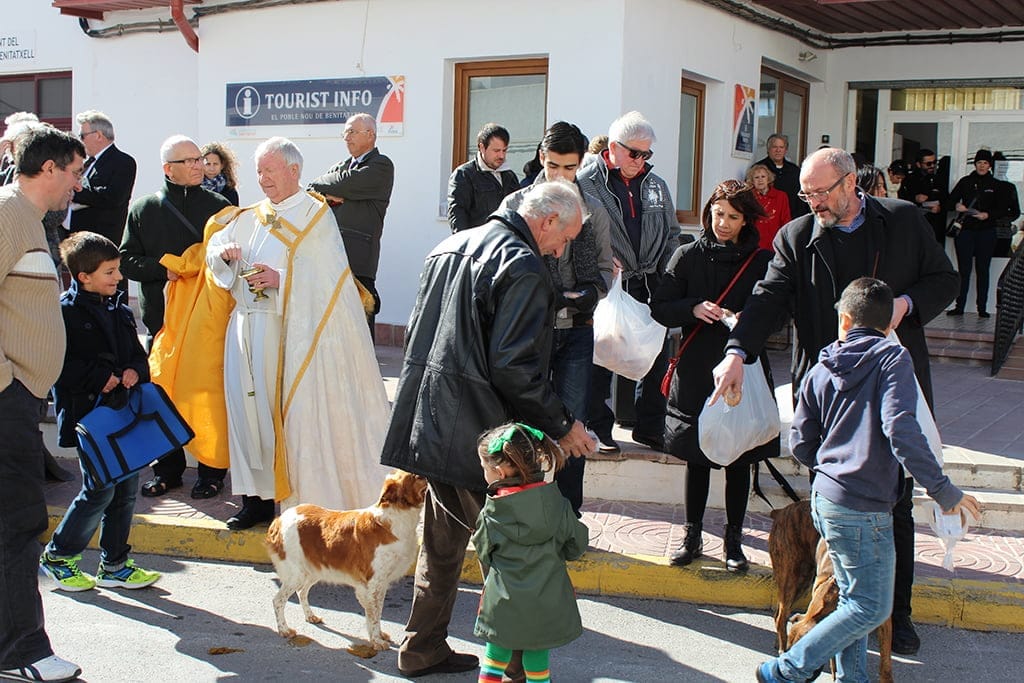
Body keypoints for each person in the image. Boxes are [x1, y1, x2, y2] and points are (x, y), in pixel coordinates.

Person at [711, 147, 959, 656]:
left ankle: (897, 613)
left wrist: (903, 307)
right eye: (807, 194)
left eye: (822, 192)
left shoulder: (904, 221)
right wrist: (737, 353)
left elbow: (945, 281)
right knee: (832, 506)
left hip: (892, 384)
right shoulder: (797, 237)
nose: (814, 203)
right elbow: (767, 300)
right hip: (827, 395)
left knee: (894, 506)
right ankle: (838, 603)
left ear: (851, 184)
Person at [380, 179, 594, 678]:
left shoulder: (449, 245)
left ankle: (421, 647)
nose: (563, 249)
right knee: (515, 552)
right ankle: (517, 666)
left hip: (432, 421)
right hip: (483, 436)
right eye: (564, 238)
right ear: (545, 222)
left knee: (442, 543)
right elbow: (514, 367)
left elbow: (421, 334)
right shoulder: (521, 264)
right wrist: (562, 425)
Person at [756, 278, 981, 683]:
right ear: (887, 325)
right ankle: (786, 668)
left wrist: (833, 465)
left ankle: (852, 678)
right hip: (863, 506)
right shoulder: (893, 359)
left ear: (844, 319)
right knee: (871, 607)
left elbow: (801, 443)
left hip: (826, 498)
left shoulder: (822, 365)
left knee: (850, 602)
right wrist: (943, 490)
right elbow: (901, 428)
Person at [207, 136, 389, 529]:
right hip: (246, 329)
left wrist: (282, 278)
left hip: (287, 333)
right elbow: (216, 251)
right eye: (258, 171)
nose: (263, 179)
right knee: (248, 418)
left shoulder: (315, 215)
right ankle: (254, 504)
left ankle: (293, 504)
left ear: (294, 170)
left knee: (280, 420)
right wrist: (222, 257)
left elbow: (332, 282)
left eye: (269, 170)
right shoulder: (248, 215)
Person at [651, 180, 777, 572]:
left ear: (746, 220)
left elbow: (775, 310)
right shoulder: (686, 256)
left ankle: (733, 541)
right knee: (697, 457)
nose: (723, 223)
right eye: (718, 214)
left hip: (743, 365)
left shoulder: (761, 261)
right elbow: (661, 307)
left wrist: (746, 321)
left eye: (733, 217)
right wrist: (692, 308)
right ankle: (692, 536)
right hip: (695, 366)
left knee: (739, 458)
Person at [0, 125, 84, 683]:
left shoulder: (28, 219)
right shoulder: (9, 214)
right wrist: (7, 383)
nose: (79, 183)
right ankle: (21, 653)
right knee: (18, 523)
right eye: (75, 172)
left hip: (18, 398)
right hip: (6, 399)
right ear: (49, 168)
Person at [499, 121, 613, 516]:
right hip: (528, 332)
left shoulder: (595, 212)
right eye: (552, 167)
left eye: (569, 168)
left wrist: (588, 294)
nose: (561, 176)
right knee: (521, 423)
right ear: (540, 161)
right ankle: (519, 513)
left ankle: (567, 516)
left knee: (572, 428)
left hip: (577, 333)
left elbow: (604, 271)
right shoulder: (516, 205)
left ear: (581, 164)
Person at [39, 232, 161, 595]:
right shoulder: (63, 312)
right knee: (99, 490)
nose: (118, 278)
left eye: (118, 270)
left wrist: (134, 371)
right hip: (88, 419)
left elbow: (139, 358)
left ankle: (115, 564)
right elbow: (57, 365)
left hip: (123, 417)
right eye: (110, 272)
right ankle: (59, 556)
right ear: (83, 276)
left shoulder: (121, 310)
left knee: (125, 491)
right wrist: (99, 378)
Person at [119, 135, 231, 499]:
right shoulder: (144, 208)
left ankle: (212, 472)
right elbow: (125, 260)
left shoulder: (220, 206)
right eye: (190, 161)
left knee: (209, 399)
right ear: (169, 169)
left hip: (208, 323)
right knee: (161, 399)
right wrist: (163, 270)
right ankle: (167, 470)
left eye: (200, 159)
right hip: (162, 323)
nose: (199, 165)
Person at [577, 111, 677, 454]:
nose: (640, 161)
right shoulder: (587, 182)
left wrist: (667, 269)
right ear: (613, 148)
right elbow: (575, 231)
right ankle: (597, 426)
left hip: (650, 281)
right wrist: (600, 260)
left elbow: (672, 234)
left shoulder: (656, 185)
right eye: (634, 153)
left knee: (655, 354)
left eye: (646, 154)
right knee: (603, 353)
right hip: (609, 282)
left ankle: (650, 426)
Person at [472, 423, 589, 683]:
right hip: (546, 601)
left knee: (494, 659)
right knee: (537, 663)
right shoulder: (558, 504)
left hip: (503, 603)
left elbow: (484, 552)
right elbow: (576, 546)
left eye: (485, 468)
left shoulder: (492, 513)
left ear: (500, 471)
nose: (484, 474)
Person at [308, 113, 394, 336]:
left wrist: (337, 189)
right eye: (345, 132)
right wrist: (334, 191)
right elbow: (311, 188)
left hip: (358, 256)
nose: (347, 137)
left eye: (352, 132)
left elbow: (346, 183)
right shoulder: (342, 166)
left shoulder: (381, 165)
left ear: (371, 135)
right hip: (331, 253)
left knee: (359, 326)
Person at [946, 148, 1005, 318]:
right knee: (963, 270)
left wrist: (987, 215)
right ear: (975, 164)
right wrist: (958, 206)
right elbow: (950, 201)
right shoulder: (965, 181)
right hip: (966, 231)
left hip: (986, 231)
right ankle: (960, 306)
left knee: (983, 269)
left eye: (985, 163)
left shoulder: (995, 185)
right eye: (979, 162)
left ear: (990, 165)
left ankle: (982, 308)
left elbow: (1002, 209)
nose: (982, 166)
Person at [69, 111, 137, 248]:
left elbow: (113, 197)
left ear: (98, 135)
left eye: (82, 136)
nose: (80, 141)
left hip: (101, 240)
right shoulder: (87, 163)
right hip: (77, 238)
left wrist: (77, 193)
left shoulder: (122, 161)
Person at [447, 122, 519, 233]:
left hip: (506, 243)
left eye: (504, 150)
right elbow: (457, 216)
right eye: (496, 151)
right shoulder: (464, 175)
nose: (501, 156)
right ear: (482, 147)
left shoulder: (509, 176)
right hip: (479, 245)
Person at [752, 133, 808, 220]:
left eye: (781, 147)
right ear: (768, 149)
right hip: (767, 219)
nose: (778, 150)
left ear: (785, 150)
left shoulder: (795, 170)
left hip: (793, 218)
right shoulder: (758, 169)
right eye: (775, 147)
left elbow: (803, 194)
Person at [898, 148, 947, 244]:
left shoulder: (939, 180)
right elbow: (900, 200)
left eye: (934, 162)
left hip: (934, 226)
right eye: (928, 164)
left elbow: (947, 200)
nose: (932, 166)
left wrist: (940, 208)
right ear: (918, 164)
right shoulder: (909, 180)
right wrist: (914, 198)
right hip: (914, 224)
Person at [746, 163, 791, 251]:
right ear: (752, 181)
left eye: (763, 176)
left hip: (775, 241)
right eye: (756, 177)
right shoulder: (748, 197)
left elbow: (786, 220)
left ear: (768, 179)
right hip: (754, 242)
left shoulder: (781, 196)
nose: (760, 180)